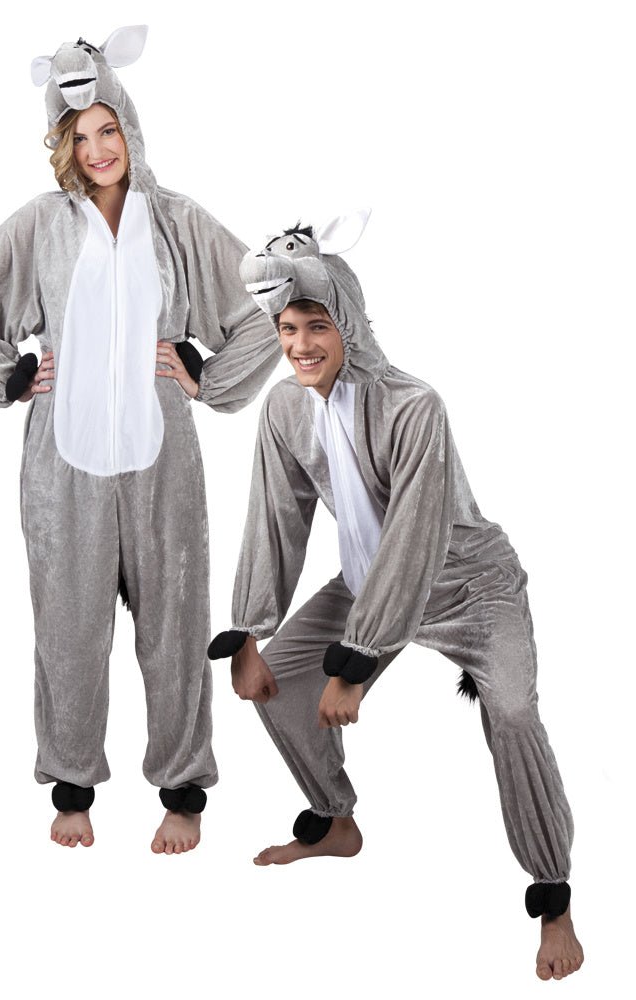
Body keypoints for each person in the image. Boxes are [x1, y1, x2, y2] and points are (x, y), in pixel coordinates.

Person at [208, 213, 584, 979]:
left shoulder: (412, 406)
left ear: (345, 322)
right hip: (365, 583)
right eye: (286, 329)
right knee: (280, 686)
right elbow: (275, 519)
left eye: (315, 325)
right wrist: (247, 632)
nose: (299, 345)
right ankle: (334, 822)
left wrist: (355, 664)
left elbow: (414, 540)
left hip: (467, 583)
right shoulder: (284, 410)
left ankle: (553, 902)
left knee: (512, 713)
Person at [0, 25, 280, 854]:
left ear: (127, 124)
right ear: (63, 143)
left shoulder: (178, 222)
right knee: (69, 629)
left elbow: (268, 299)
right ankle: (72, 786)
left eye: (106, 129)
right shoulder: (41, 225)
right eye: (79, 135)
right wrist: (13, 375)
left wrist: (206, 377)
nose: (96, 149)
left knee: (174, 625)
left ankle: (182, 791)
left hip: (163, 460)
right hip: (63, 464)